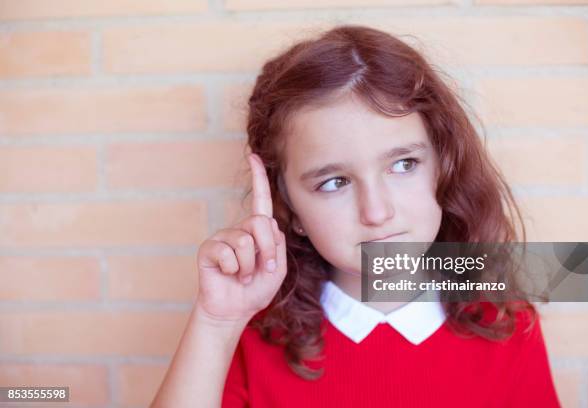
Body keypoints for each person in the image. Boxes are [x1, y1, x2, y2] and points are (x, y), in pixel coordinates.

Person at [150, 24, 561, 408]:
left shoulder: (507, 325)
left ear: (445, 167)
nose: (377, 212)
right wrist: (216, 323)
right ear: (288, 209)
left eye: (403, 165)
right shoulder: (251, 336)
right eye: (334, 183)